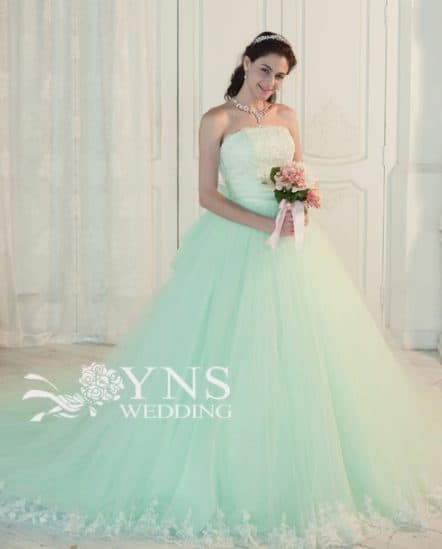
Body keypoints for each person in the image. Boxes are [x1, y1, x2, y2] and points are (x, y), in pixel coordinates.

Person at [1, 30, 442, 549]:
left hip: (292, 247)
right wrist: (265, 226)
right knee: (227, 350)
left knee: (306, 355)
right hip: (235, 241)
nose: (271, 83)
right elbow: (208, 195)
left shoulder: (287, 116)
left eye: (280, 76)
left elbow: (298, 175)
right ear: (246, 63)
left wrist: (301, 203)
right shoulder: (217, 120)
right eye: (265, 70)